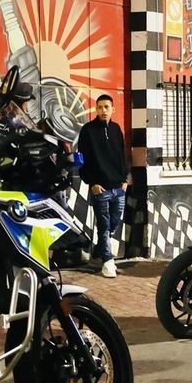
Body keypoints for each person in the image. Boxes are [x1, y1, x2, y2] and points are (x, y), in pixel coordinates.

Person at [77, 94, 129, 278]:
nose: (103, 110)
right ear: (96, 109)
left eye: (106, 106)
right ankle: (108, 261)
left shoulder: (116, 129)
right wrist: (91, 183)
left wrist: (125, 179)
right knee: (104, 225)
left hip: (118, 187)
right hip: (100, 188)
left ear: (113, 109)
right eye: (99, 107)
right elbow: (82, 160)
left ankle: (100, 250)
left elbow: (122, 155)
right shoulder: (87, 130)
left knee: (113, 223)